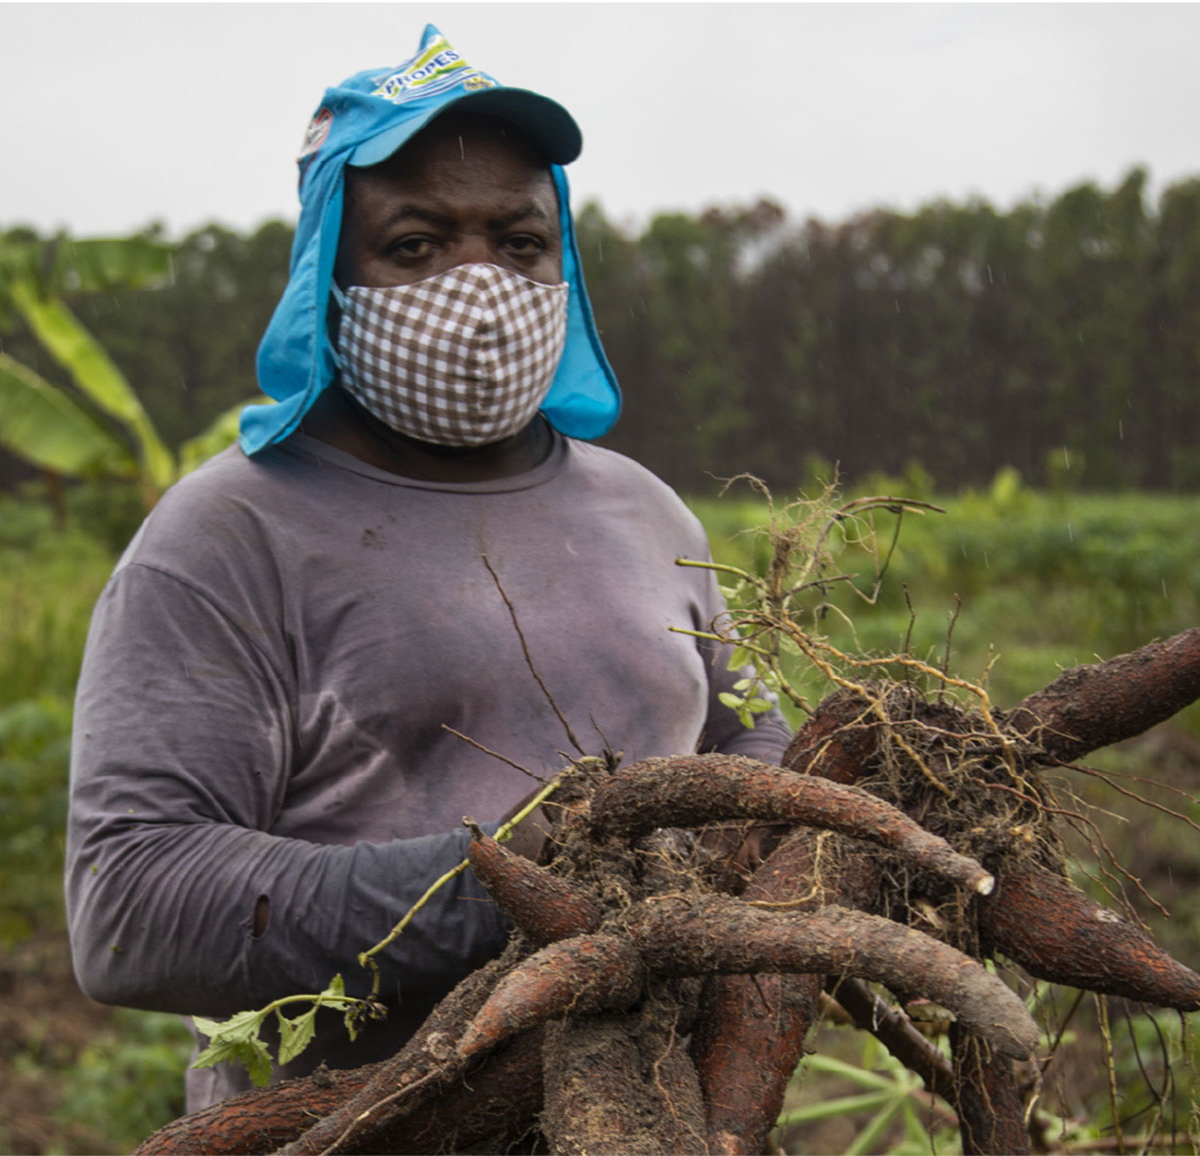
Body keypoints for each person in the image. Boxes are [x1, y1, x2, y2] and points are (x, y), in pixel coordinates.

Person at [63, 26, 789, 1113]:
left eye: (517, 240)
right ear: (329, 272)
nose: (480, 286)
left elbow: (746, 736)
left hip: (660, 1113)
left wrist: (793, 815)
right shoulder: (226, 538)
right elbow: (130, 906)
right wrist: (502, 885)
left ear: (562, 262)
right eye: (414, 244)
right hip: (363, 1126)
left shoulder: (644, 508)